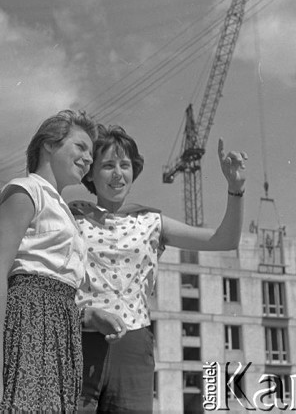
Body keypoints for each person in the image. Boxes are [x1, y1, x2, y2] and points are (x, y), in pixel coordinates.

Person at [69, 124, 247, 414]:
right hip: (79, 342)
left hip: (133, 344)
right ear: (90, 173)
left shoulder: (151, 221)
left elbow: (224, 240)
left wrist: (236, 190)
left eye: (124, 165)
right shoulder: (71, 216)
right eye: (108, 165)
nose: (118, 174)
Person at [0, 109, 108, 413]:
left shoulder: (61, 207)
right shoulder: (26, 190)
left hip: (59, 332)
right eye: (80, 147)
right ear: (49, 144)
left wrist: (85, 317)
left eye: (91, 154)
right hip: (26, 323)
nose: (89, 159)